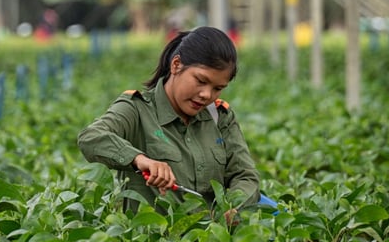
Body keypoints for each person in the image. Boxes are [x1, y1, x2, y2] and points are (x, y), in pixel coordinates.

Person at [77, 26, 260, 221]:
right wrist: (139, 159)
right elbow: (90, 137)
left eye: (218, 88)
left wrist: (234, 207)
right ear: (176, 65)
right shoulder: (137, 109)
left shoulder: (220, 116)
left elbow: (245, 176)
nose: (207, 94)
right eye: (200, 80)